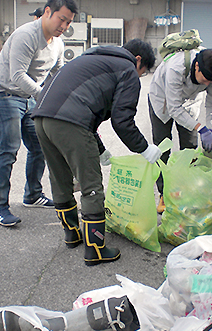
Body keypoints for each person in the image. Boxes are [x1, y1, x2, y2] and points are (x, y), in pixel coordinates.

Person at [32, 39, 162, 266]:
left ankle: (72, 235)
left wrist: (100, 148)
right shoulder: (127, 68)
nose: (138, 76)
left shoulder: (91, 58)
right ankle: (95, 250)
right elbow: (123, 121)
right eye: (141, 72)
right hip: (70, 122)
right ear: (138, 60)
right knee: (91, 186)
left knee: (60, 179)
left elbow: (87, 108)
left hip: (42, 119)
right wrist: (145, 148)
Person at [0, 0, 78, 227]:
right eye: (61, 19)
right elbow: (17, 75)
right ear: (47, 12)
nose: (64, 26)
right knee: (8, 150)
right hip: (3, 95)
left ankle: (33, 194)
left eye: (68, 22)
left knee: (40, 146)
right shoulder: (26, 35)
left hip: (29, 98)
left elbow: (57, 73)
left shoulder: (58, 43)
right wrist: (44, 96)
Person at [149, 47, 212, 213]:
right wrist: (200, 128)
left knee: (189, 149)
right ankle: (164, 193)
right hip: (163, 101)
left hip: (190, 103)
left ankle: (183, 191)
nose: (207, 84)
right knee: (162, 149)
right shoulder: (176, 68)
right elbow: (174, 109)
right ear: (197, 66)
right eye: (205, 80)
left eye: (211, 82)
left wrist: (211, 129)